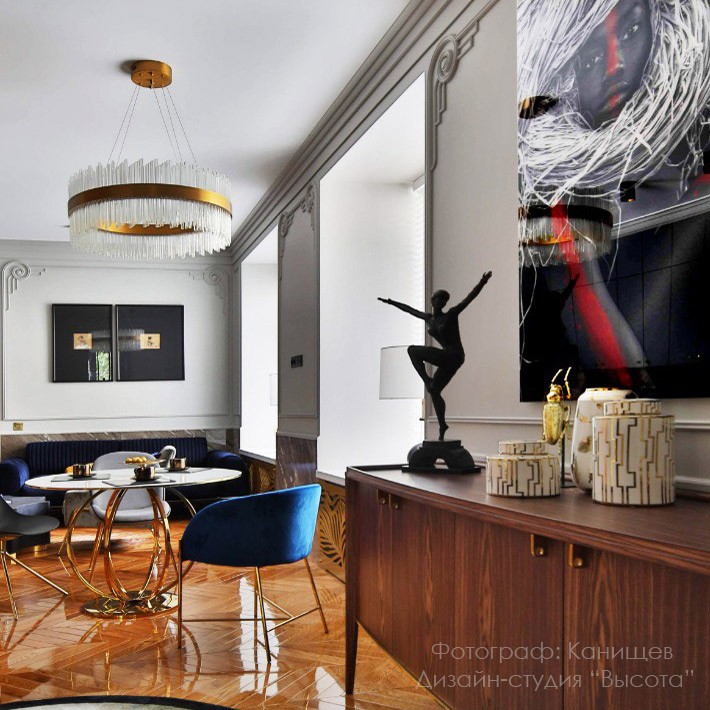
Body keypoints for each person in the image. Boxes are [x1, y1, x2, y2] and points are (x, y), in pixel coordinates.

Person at [379, 271, 492, 441]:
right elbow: (410, 310)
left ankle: (426, 380)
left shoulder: (451, 314)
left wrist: (482, 282)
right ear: (433, 301)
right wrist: (391, 302)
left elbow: (469, 299)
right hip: (447, 357)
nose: (441, 302)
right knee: (434, 390)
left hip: (454, 355)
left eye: (443, 300)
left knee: (413, 351)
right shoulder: (429, 319)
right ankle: (442, 425)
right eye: (438, 299)